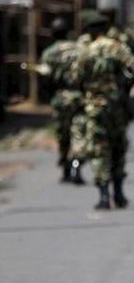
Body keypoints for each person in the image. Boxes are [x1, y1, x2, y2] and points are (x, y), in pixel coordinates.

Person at [73, 14, 134, 209]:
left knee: (99, 149)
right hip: (116, 106)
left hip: (95, 107)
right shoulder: (117, 47)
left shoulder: (86, 52)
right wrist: (123, 90)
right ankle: (119, 193)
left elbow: (76, 78)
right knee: (118, 146)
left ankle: (103, 196)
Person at [40, 17, 83, 183]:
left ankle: (66, 168)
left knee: (63, 134)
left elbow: (45, 78)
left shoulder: (49, 53)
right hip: (78, 97)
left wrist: (50, 96)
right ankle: (76, 165)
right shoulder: (79, 49)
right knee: (78, 132)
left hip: (60, 97)